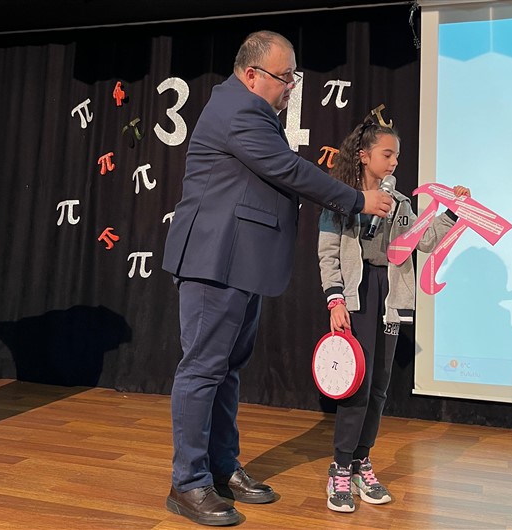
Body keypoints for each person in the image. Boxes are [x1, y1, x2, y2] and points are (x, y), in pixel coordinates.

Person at [161, 31, 394, 527]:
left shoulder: (252, 111)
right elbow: (288, 170)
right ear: (252, 75)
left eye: (293, 76)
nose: (291, 85)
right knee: (203, 369)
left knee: (227, 369)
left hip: (238, 261)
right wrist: (357, 199)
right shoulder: (238, 110)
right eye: (285, 76)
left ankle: (221, 466)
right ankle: (188, 482)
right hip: (214, 259)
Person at [317, 114, 470, 513]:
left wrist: (453, 211)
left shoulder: (401, 203)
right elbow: (328, 253)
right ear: (364, 156)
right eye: (387, 154)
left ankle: (361, 462)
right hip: (357, 295)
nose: (394, 162)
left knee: (380, 386)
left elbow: (426, 241)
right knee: (357, 384)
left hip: (389, 295)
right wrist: (335, 300)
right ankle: (340, 467)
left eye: (397, 156)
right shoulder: (340, 198)